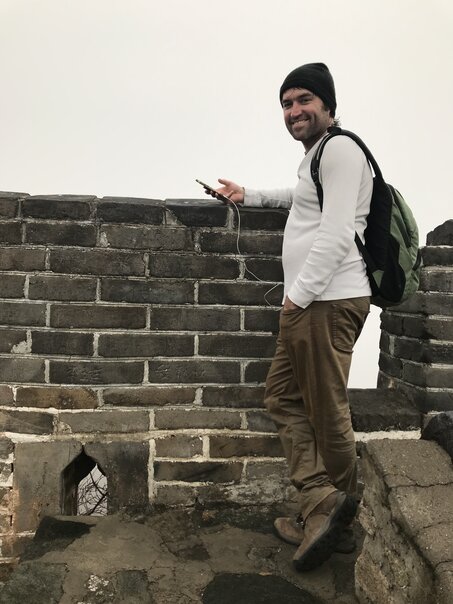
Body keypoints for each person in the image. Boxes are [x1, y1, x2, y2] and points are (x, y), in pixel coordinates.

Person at [205, 62, 372, 572]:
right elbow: (301, 198)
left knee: (326, 412)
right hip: (313, 303)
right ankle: (320, 505)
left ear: (328, 106)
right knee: (282, 396)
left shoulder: (340, 150)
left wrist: (297, 297)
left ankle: (341, 524)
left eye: (304, 100)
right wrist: (248, 195)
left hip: (325, 302)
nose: (294, 110)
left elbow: (337, 232)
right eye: (286, 103)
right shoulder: (317, 156)